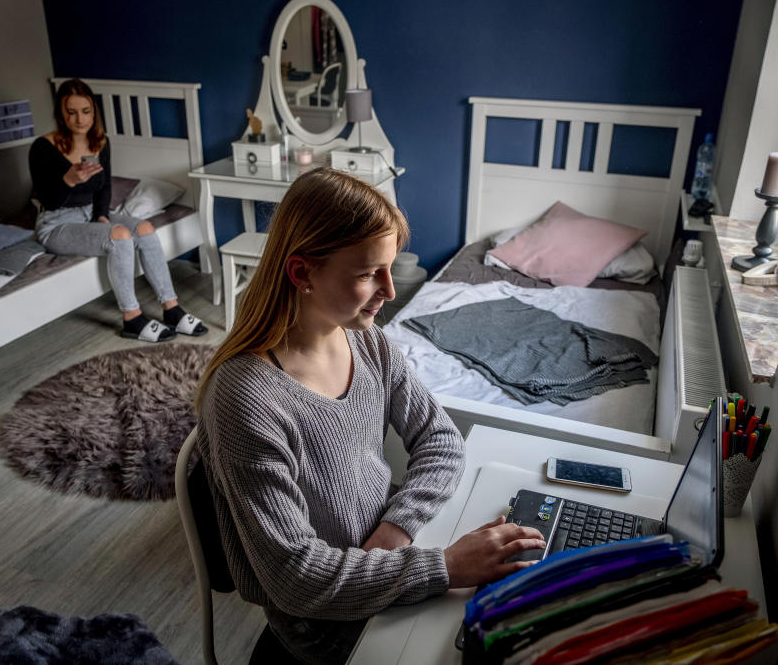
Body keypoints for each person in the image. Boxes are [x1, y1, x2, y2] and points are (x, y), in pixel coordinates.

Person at [194, 168, 544, 664]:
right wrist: (444, 568)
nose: (390, 290)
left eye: (388, 268)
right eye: (367, 274)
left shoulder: (366, 341)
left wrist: (396, 530)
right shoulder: (246, 399)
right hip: (322, 623)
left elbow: (441, 440)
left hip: (386, 561)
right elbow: (295, 579)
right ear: (302, 274)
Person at [28, 78, 208, 342]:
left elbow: (104, 189)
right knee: (120, 236)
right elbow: (48, 199)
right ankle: (132, 318)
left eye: (86, 111)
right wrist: (69, 180)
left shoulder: (101, 142)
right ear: (60, 114)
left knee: (145, 229)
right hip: (56, 223)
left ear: (94, 111)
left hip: (91, 213)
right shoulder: (43, 148)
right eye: (72, 112)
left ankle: (171, 308)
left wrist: (102, 216)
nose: (80, 119)